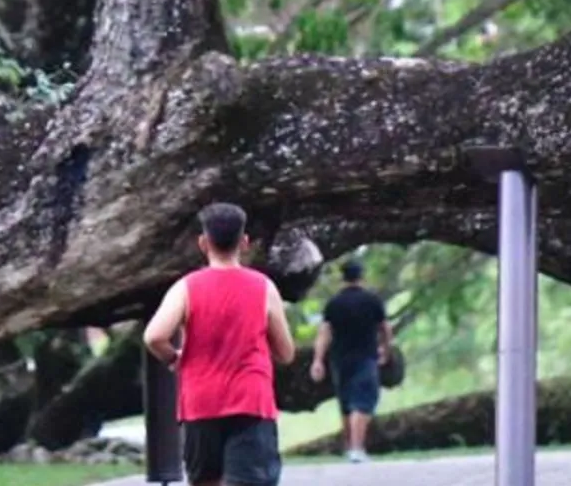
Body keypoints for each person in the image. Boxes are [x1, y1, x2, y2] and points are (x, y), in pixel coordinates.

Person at [144, 202, 297, 486]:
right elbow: (286, 353)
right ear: (244, 242)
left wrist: (173, 358)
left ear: (203, 243)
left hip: (200, 404)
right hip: (251, 403)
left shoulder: (186, 288)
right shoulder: (263, 287)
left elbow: (154, 336)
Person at [309, 258, 394, 463]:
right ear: (361, 277)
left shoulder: (334, 303)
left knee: (347, 403)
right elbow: (385, 328)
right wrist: (386, 349)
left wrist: (318, 360)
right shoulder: (372, 300)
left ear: (343, 278)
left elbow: (324, 333)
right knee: (363, 402)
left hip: (339, 359)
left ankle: (350, 447)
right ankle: (357, 448)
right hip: (365, 357)